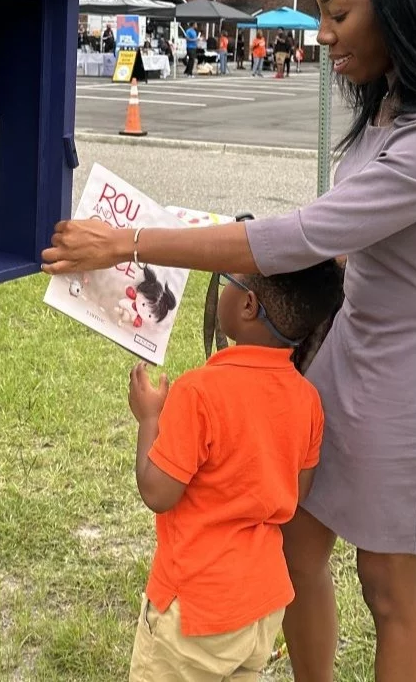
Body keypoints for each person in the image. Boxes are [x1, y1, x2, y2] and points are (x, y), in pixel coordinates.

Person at [42, 0, 416, 682]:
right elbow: (328, 247)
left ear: (407, 5)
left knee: (389, 583)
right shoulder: (394, 109)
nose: (326, 34)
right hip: (347, 349)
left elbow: (306, 236)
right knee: (296, 543)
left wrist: (129, 241)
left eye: (337, 13)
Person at [126, 261, 343, 681]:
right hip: (262, 609)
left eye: (227, 281)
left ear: (247, 305)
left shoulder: (198, 391)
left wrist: (149, 419)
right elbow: (297, 492)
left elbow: (157, 492)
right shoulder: (307, 400)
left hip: (194, 612)